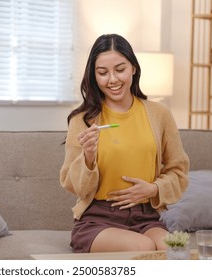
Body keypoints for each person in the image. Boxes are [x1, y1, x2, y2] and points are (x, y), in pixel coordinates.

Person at [60, 34, 189, 253]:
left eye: (120, 69)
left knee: (175, 249)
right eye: (102, 73)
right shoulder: (82, 121)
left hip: (147, 216)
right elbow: (73, 185)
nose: (112, 79)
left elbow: (179, 170)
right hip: (98, 219)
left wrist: (154, 188)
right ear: (94, 75)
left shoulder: (160, 114)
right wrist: (88, 157)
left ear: (133, 69)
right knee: (145, 248)